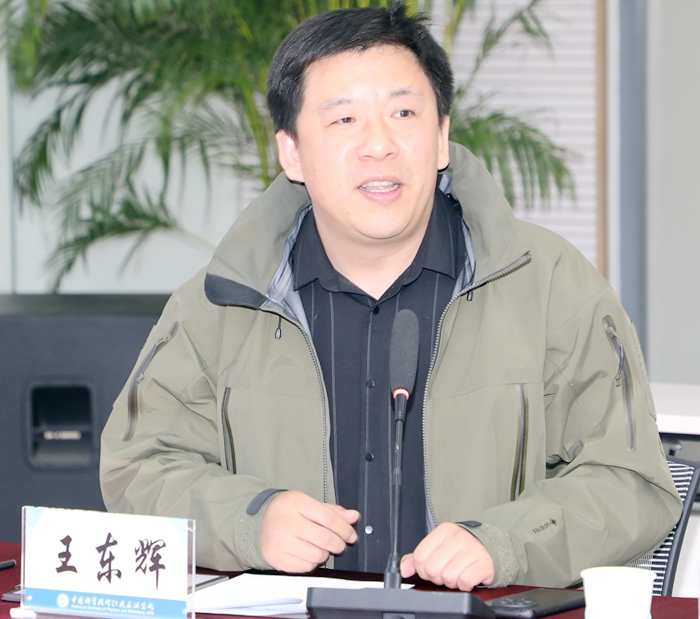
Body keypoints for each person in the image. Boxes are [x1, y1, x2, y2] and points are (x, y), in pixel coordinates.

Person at [100, 1, 681, 591]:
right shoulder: (224, 300)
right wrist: (250, 521)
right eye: (344, 119)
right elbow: (138, 468)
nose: (379, 144)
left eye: (403, 112)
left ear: (441, 137)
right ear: (292, 152)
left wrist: (507, 543)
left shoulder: (549, 283)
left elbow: (633, 485)